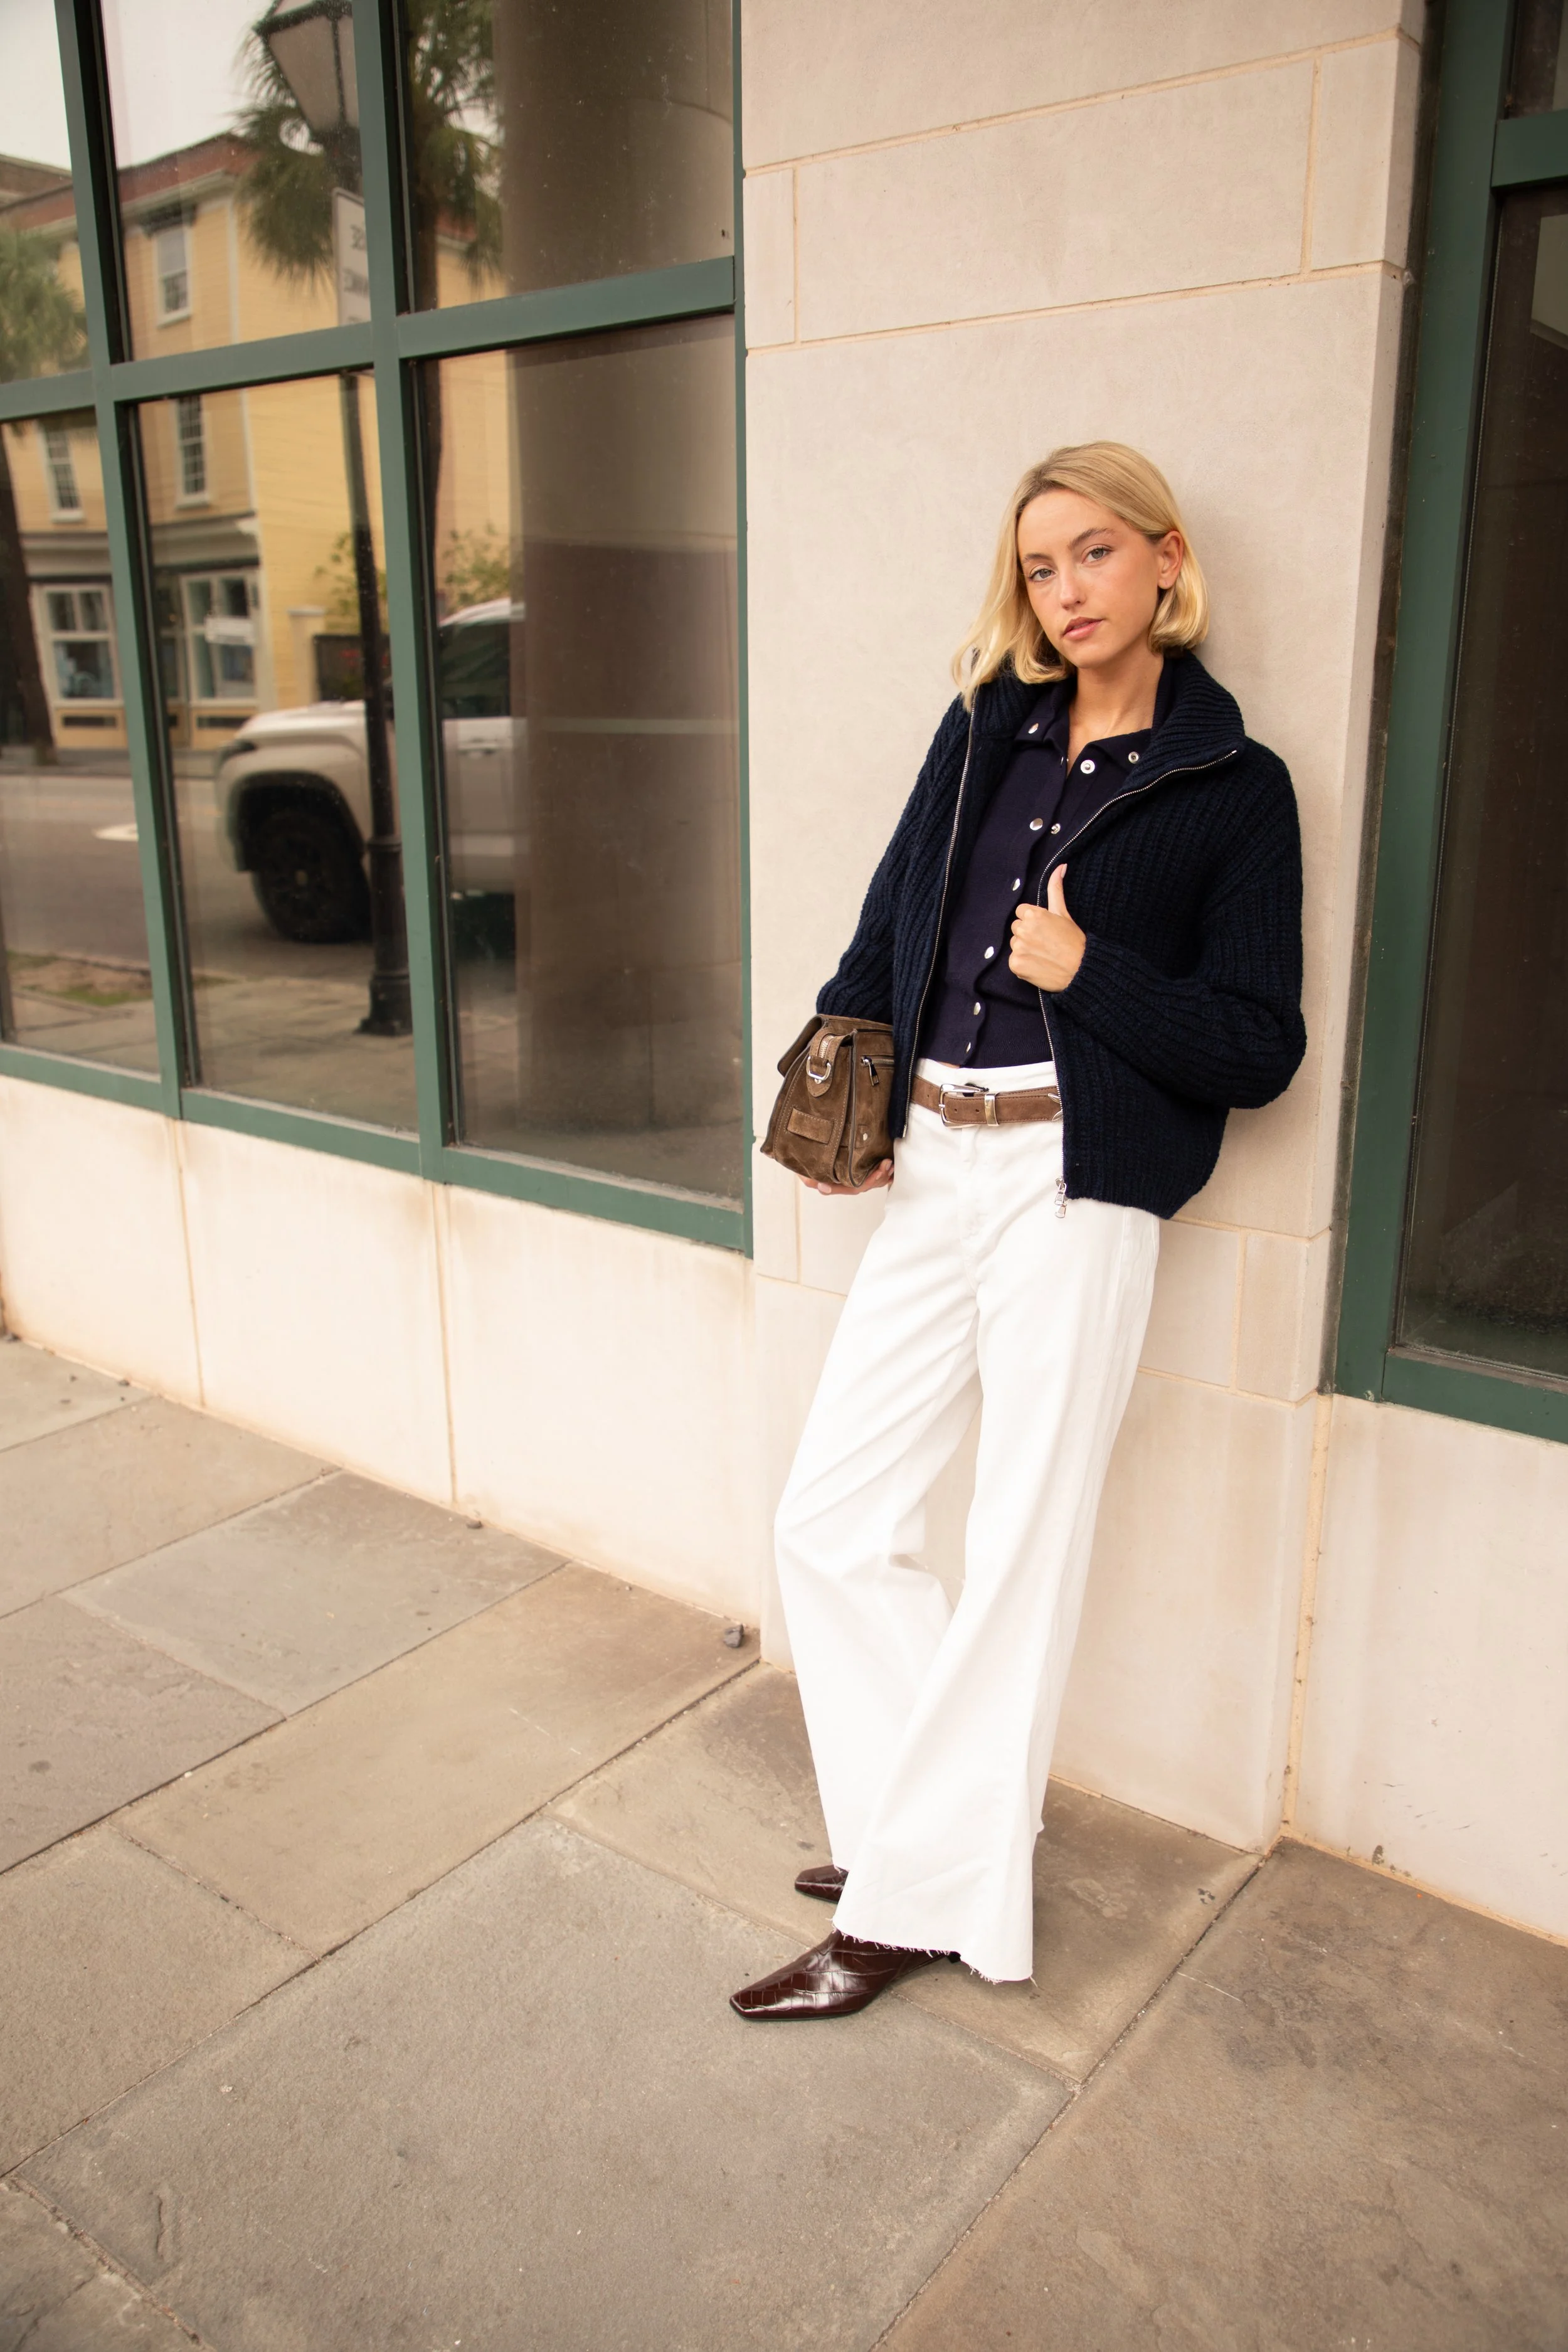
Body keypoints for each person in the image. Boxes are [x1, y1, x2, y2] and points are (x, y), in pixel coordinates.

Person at [731, 442, 1306, 2020]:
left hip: (1074, 1185)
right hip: (931, 1158)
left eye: (1093, 554)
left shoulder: (1231, 786)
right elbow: (891, 916)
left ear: (1165, 559)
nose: (1064, 591)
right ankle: (926, 1838)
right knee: (831, 1519)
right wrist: (844, 1093)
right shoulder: (987, 726)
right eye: (1039, 567)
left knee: (1018, 1552)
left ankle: (909, 1904)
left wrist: (1085, 971)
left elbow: (1256, 1044)